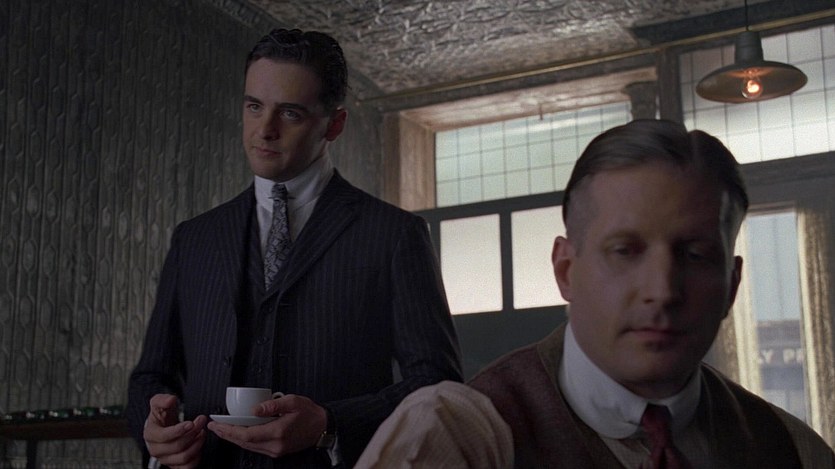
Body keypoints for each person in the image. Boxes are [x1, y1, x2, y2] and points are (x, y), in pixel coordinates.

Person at [126, 28, 462, 469]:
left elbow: (437, 385)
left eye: (290, 113)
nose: (265, 130)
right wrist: (153, 433)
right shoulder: (194, 238)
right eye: (254, 107)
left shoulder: (394, 234)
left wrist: (331, 424)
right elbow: (151, 376)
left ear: (334, 124)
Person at [465, 119, 835, 467]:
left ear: (732, 285)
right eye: (624, 251)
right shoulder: (470, 438)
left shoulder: (797, 452)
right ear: (565, 271)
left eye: (695, 255)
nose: (663, 291)